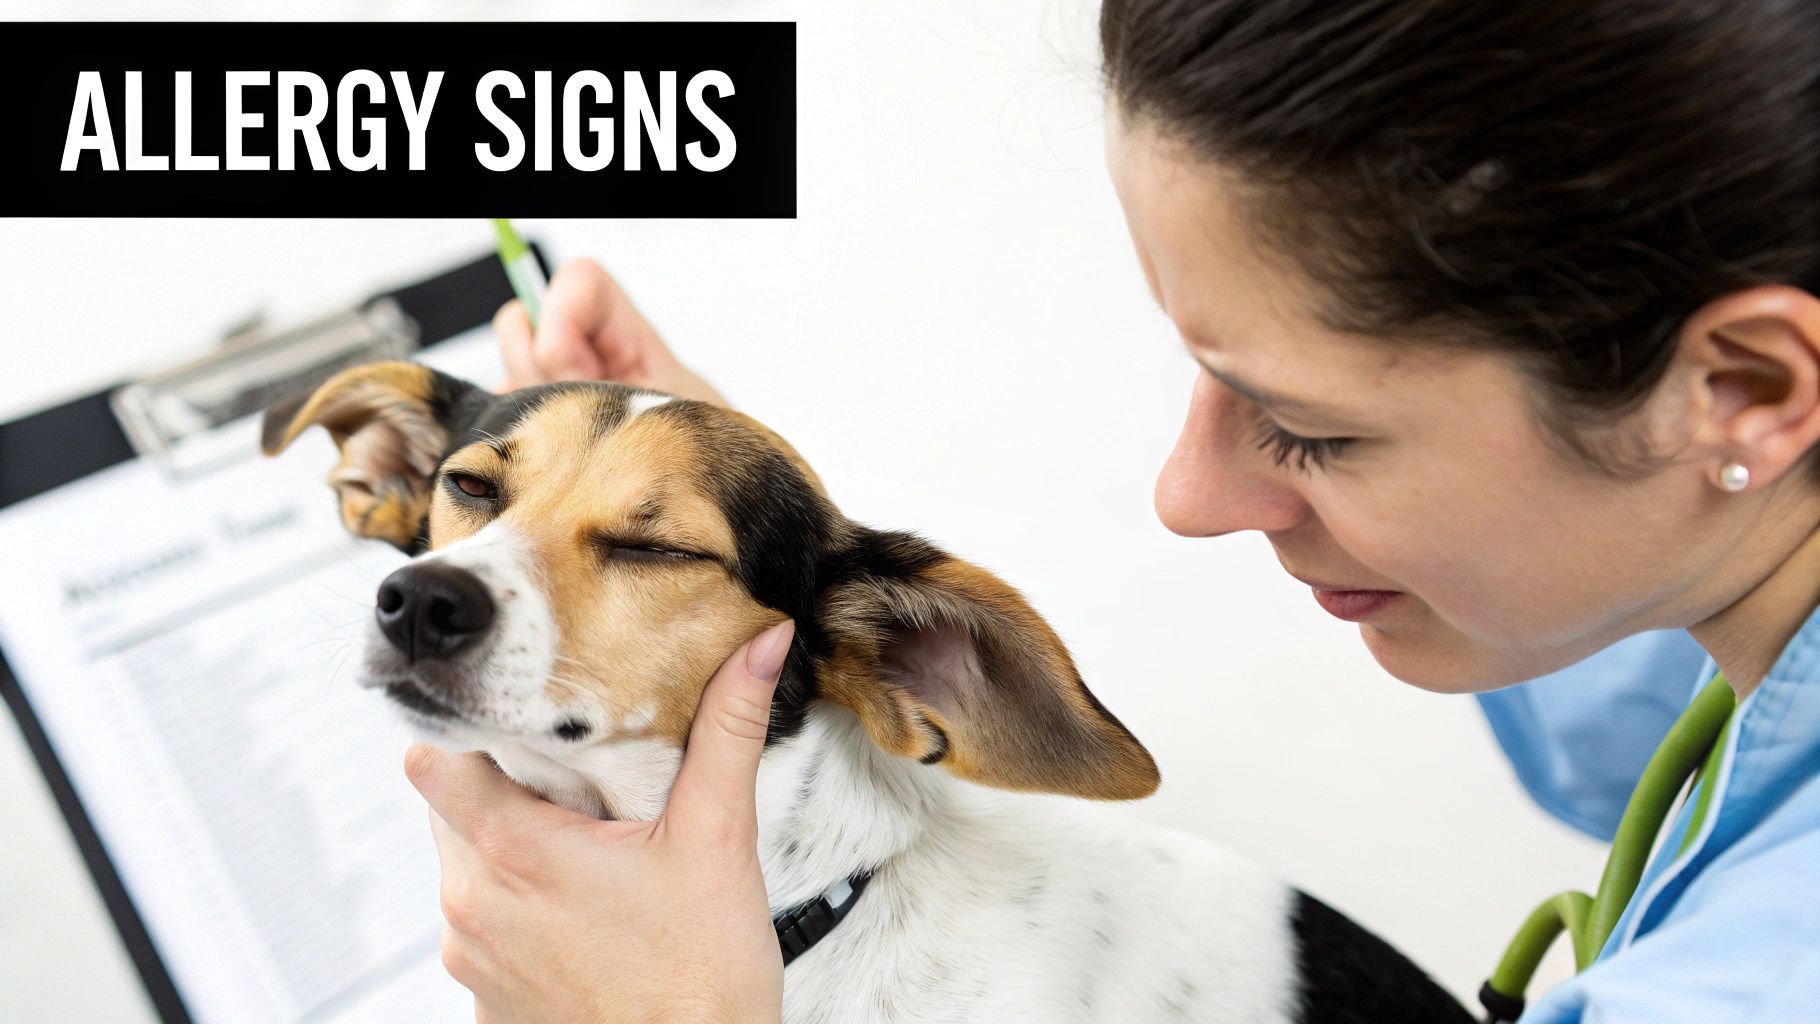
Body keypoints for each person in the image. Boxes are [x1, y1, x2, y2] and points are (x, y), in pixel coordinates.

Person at [402, 1, 1820, 1020]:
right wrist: (700, 510)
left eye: (1309, 425)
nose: (1186, 497)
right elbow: (1636, 702)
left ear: (1745, 392)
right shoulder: (1737, 639)